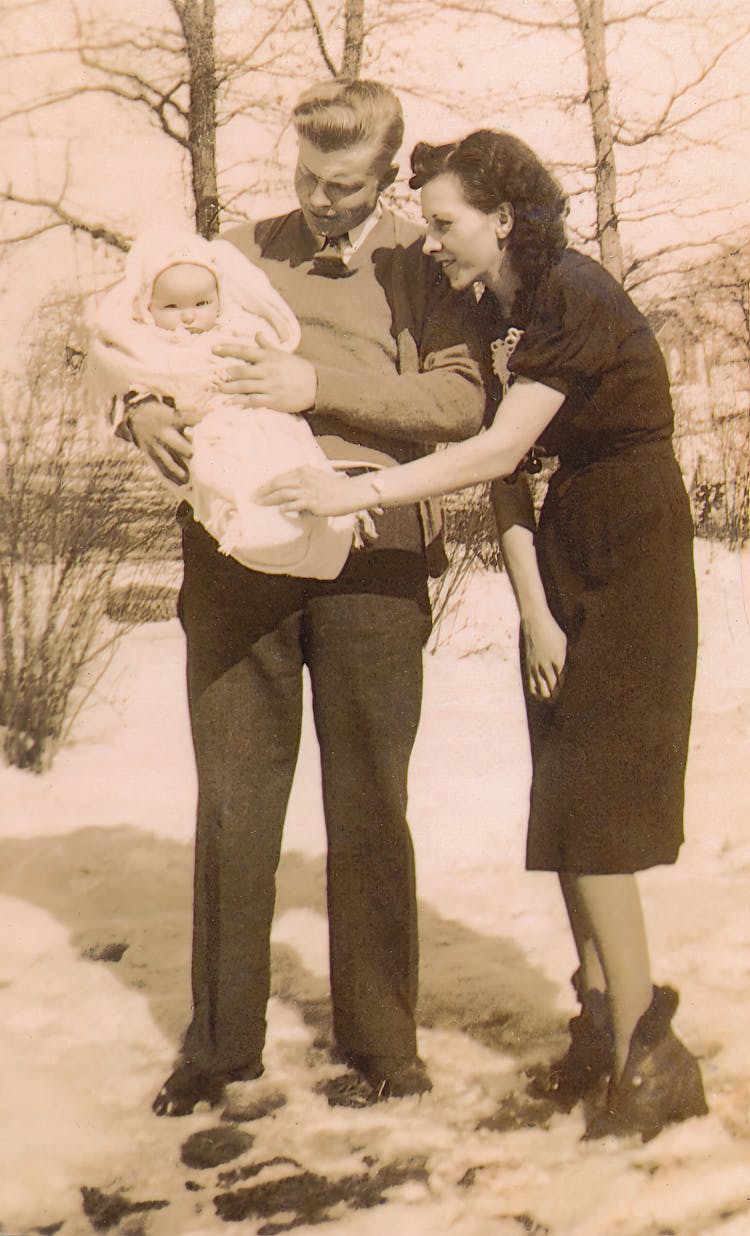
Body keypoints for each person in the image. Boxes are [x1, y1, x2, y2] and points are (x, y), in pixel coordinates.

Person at [259, 128, 709, 1142]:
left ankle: (652, 1058)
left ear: (505, 217)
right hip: (565, 558)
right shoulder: (497, 308)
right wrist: (536, 610)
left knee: (598, 811)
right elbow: (506, 478)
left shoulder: (573, 297)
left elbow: (495, 445)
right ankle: (601, 1027)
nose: (435, 242)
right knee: (562, 805)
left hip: (633, 551)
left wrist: (357, 487)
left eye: (450, 223)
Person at [124, 80, 489, 1116]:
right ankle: (219, 1047)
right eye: (306, 178)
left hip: (373, 548)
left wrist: (313, 387)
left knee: (370, 799)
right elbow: (141, 336)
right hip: (239, 551)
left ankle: (383, 1048)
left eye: (344, 185)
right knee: (235, 800)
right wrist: (139, 410)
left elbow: (463, 402)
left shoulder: (427, 263)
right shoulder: (236, 250)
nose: (320, 201)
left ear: (386, 173)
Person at [89, 230, 356, 579]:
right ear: (148, 306)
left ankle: (325, 528)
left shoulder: (236, 328)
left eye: (202, 304)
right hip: (208, 429)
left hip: (260, 418)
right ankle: (248, 529)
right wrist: (140, 409)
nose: (188, 317)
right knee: (222, 477)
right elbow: (123, 372)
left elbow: (269, 350)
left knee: (288, 462)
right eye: (172, 307)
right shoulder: (151, 343)